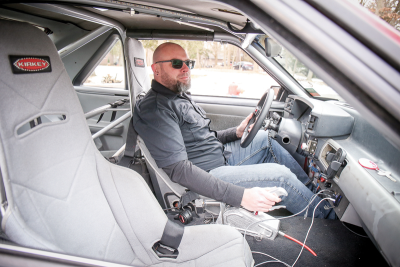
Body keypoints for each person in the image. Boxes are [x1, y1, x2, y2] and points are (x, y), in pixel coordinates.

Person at [132, 43, 335, 219]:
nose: (186, 68)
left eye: (188, 63)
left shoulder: (177, 95)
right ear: (156, 70)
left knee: (266, 138)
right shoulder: (157, 109)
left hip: (222, 158)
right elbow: (179, 170)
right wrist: (240, 196)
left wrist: (235, 133)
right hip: (208, 175)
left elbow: (202, 139)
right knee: (280, 176)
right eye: (177, 63)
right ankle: (326, 216)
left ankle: (312, 194)